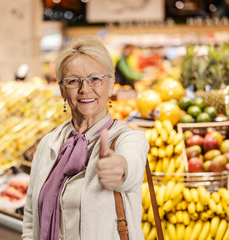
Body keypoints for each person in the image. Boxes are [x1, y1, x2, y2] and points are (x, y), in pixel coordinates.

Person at [22, 36, 148, 240]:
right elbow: (30, 219)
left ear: (111, 84)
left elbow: (131, 162)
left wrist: (120, 169)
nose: (85, 89)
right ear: (62, 90)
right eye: (73, 81)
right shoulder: (49, 143)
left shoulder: (128, 139)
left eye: (95, 79)